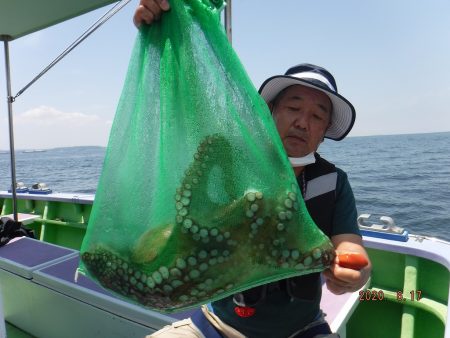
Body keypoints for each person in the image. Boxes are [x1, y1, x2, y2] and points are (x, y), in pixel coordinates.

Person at [134, 2, 372, 337]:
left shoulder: (333, 184)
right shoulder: (233, 163)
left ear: (324, 132)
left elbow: (349, 244)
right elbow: (184, 112)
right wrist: (163, 34)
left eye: (317, 116)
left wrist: (355, 270)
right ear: (270, 113)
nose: (303, 122)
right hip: (214, 324)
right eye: (292, 107)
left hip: (300, 329)